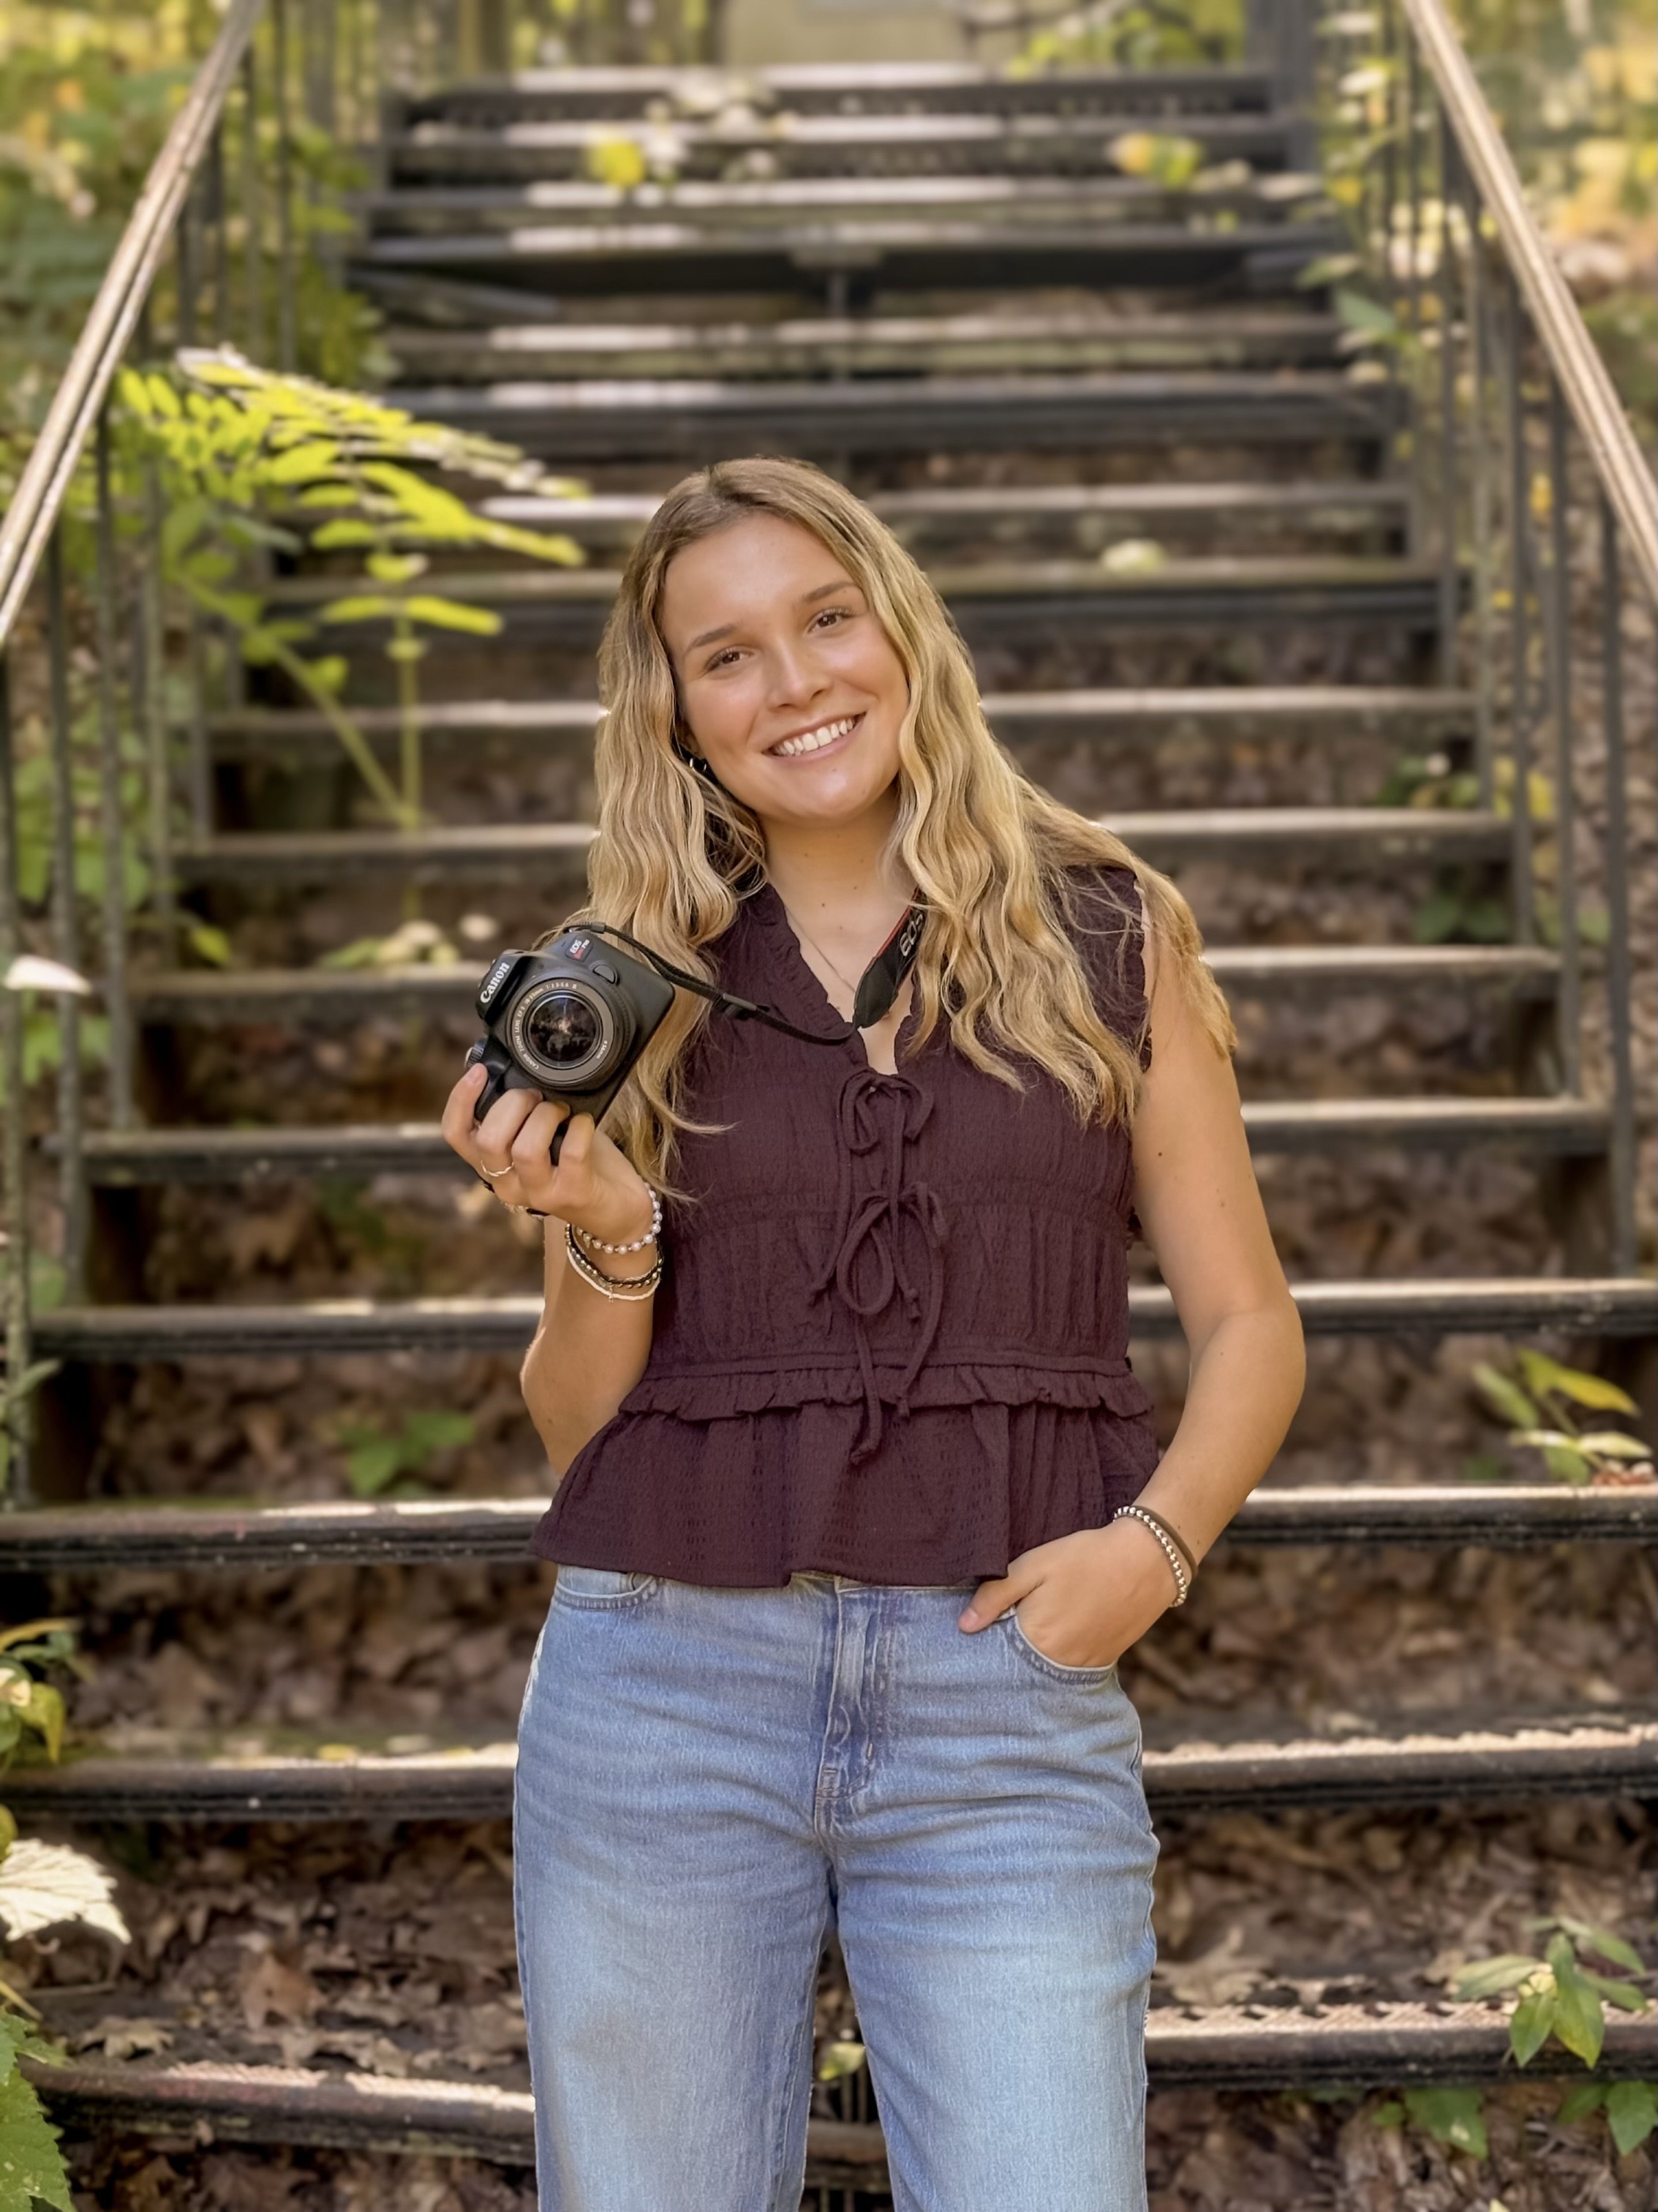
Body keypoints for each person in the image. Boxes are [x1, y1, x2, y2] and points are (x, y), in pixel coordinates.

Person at [441, 455, 1305, 2211]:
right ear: (677, 712)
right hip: (662, 1699)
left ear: (901, 632)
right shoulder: (632, 980)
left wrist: (1155, 1546)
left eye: (827, 619)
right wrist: (608, 1233)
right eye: (730, 654)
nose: (796, 681)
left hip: (1004, 1709)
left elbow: (1249, 1320)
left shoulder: (1105, 934)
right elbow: (576, 1429)